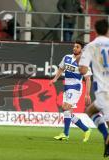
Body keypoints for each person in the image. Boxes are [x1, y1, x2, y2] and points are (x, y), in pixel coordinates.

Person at [50, 40, 92, 142]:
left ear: (81, 49)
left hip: (76, 87)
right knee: (67, 111)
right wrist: (55, 79)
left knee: (65, 108)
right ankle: (86, 129)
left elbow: (87, 79)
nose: (74, 48)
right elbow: (61, 68)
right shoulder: (67, 57)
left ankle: (65, 133)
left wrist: (87, 94)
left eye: (77, 47)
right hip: (67, 87)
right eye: (74, 46)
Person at [79, 19, 109, 157]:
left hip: (104, 90)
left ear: (94, 30)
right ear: (107, 30)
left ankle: (106, 137)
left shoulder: (91, 46)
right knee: (90, 110)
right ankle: (106, 136)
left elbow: (83, 69)